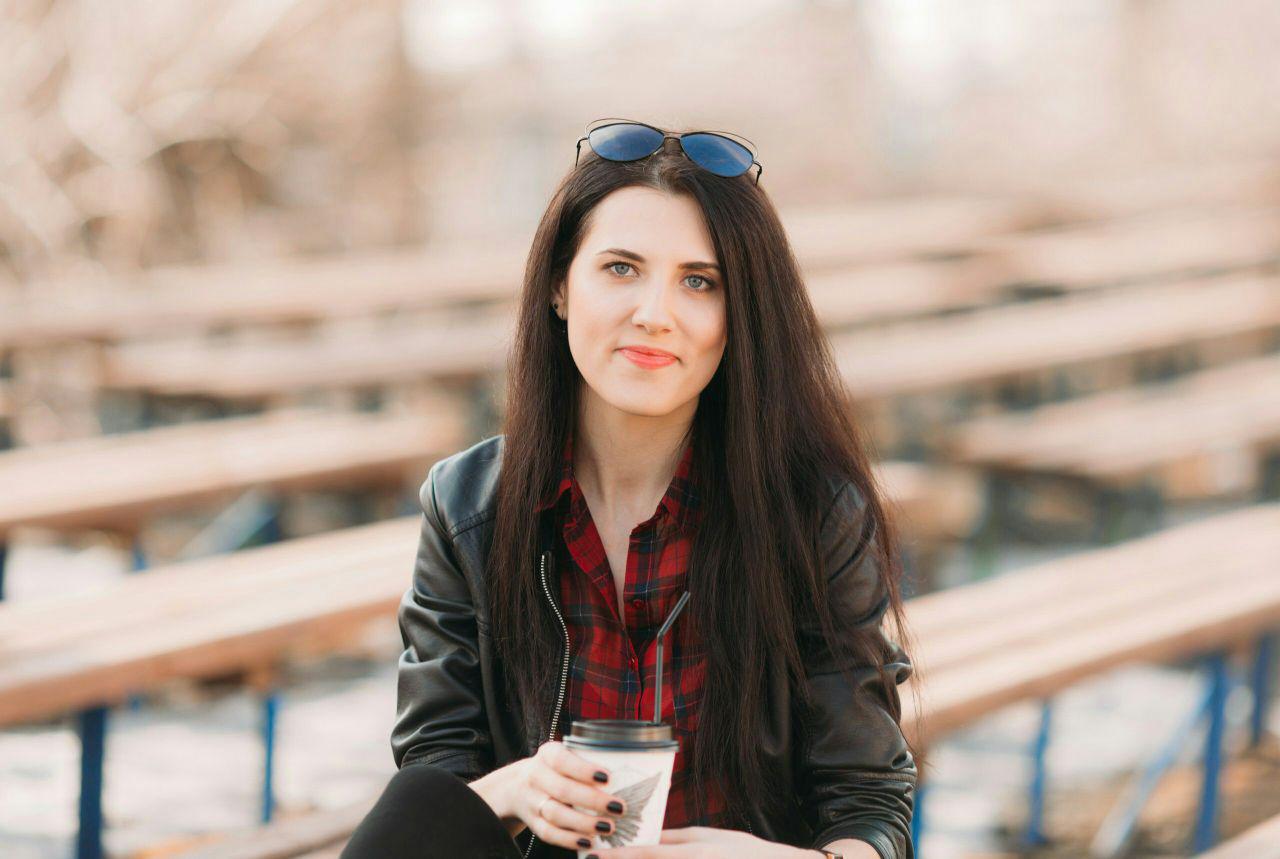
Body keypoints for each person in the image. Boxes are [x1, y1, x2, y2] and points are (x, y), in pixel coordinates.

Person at [341, 118, 922, 859]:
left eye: (699, 281)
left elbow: (868, 797)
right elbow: (433, 785)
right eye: (620, 268)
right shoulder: (466, 507)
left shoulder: (814, 515)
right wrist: (517, 789)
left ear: (740, 315)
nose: (654, 314)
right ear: (559, 285)